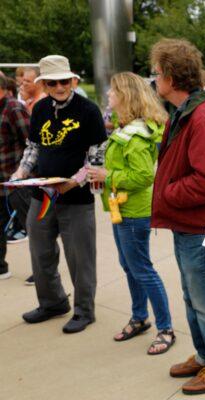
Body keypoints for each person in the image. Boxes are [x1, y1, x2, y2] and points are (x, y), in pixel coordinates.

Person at [150, 38, 205, 394]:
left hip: (198, 227)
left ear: (171, 76)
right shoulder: (186, 112)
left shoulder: (200, 117)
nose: (154, 80)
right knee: (192, 296)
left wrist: (168, 194)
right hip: (188, 225)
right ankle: (204, 356)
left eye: (156, 73)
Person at [86, 72, 175, 355]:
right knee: (130, 266)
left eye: (113, 92)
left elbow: (143, 176)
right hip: (120, 208)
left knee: (143, 269)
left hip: (134, 212)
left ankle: (165, 328)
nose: (109, 96)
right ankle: (140, 317)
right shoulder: (129, 128)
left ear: (126, 97)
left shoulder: (136, 135)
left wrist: (106, 174)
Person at [20, 55, 106, 334]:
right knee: (40, 250)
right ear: (44, 84)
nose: (60, 87)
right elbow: (33, 147)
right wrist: (20, 173)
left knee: (80, 258)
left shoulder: (88, 110)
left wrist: (75, 182)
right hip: (42, 194)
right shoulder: (41, 108)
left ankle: (84, 310)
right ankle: (53, 302)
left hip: (76, 198)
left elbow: (97, 157)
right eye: (53, 82)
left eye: (64, 81)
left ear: (73, 81)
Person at [0, 75, 29, 280]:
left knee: (34, 228)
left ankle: (43, 272)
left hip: (17, 183)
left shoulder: (13, 108)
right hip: (2, 182)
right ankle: (1, 267)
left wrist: (22, 173)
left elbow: (32, 143)